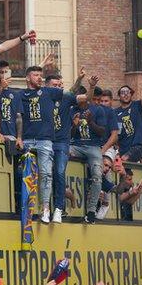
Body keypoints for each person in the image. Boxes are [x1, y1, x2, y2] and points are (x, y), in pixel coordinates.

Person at [45, 72, 94, 223]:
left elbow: (86, 98)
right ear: (47, 86)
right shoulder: (41, 96)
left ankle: (59, 208)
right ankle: (45, 208)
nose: (59, 88)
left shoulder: (66, 97)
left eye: (60, 85)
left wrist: (91, 86)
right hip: (44, 140)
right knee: (45, 174)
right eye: (55, 85)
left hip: (61, 142)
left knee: (59, 173)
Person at [20, 66, 63, 223]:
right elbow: (18, 116)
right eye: (35, 75)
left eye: (41, 75)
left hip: (45, 139)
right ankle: (28, 207)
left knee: (46, 174)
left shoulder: (49, 92)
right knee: (27, 175)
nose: (39, 77)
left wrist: (81, 80)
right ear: (27, 77)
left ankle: (45, 209)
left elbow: (72, 93)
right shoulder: (20, 94)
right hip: (27, 139)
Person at [70, 86, 107, 224]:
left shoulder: (98, 109)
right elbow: (70, 135)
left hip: (93, 146)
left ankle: (91, 210)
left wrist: (90, 121)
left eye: (80, 97)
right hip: (76, 145)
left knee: (97, 173)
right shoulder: (72, 110)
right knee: (62, 155)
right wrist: (74, 125)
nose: (78, 100)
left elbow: (102, 132)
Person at [0, 60, 23, 148]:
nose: (4, 75)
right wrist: (1, 88)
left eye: (6, 72)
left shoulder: (16, 94)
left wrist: (19, 137)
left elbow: (18, 117)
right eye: (1, 72)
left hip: (12, 136)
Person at [99, 88, 120, 154]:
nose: (103, 103)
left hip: (107, 147)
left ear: (111, 101)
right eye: (101, 101)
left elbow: (114, 135)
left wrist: (103, 150)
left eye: (106, 101)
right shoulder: (97, 111)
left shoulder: (111, 112)